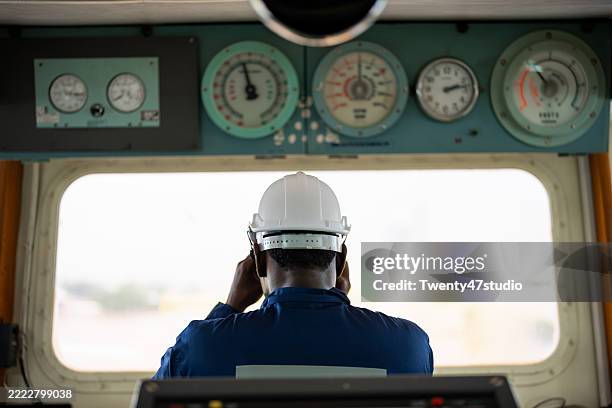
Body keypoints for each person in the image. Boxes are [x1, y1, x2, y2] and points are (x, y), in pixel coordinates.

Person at [153, 172, 433, 378]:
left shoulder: (202, 346)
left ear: (258, 260)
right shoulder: (409, 344)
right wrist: (338, 306)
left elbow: (162, 393)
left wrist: (230, 308)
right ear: (342, 259)